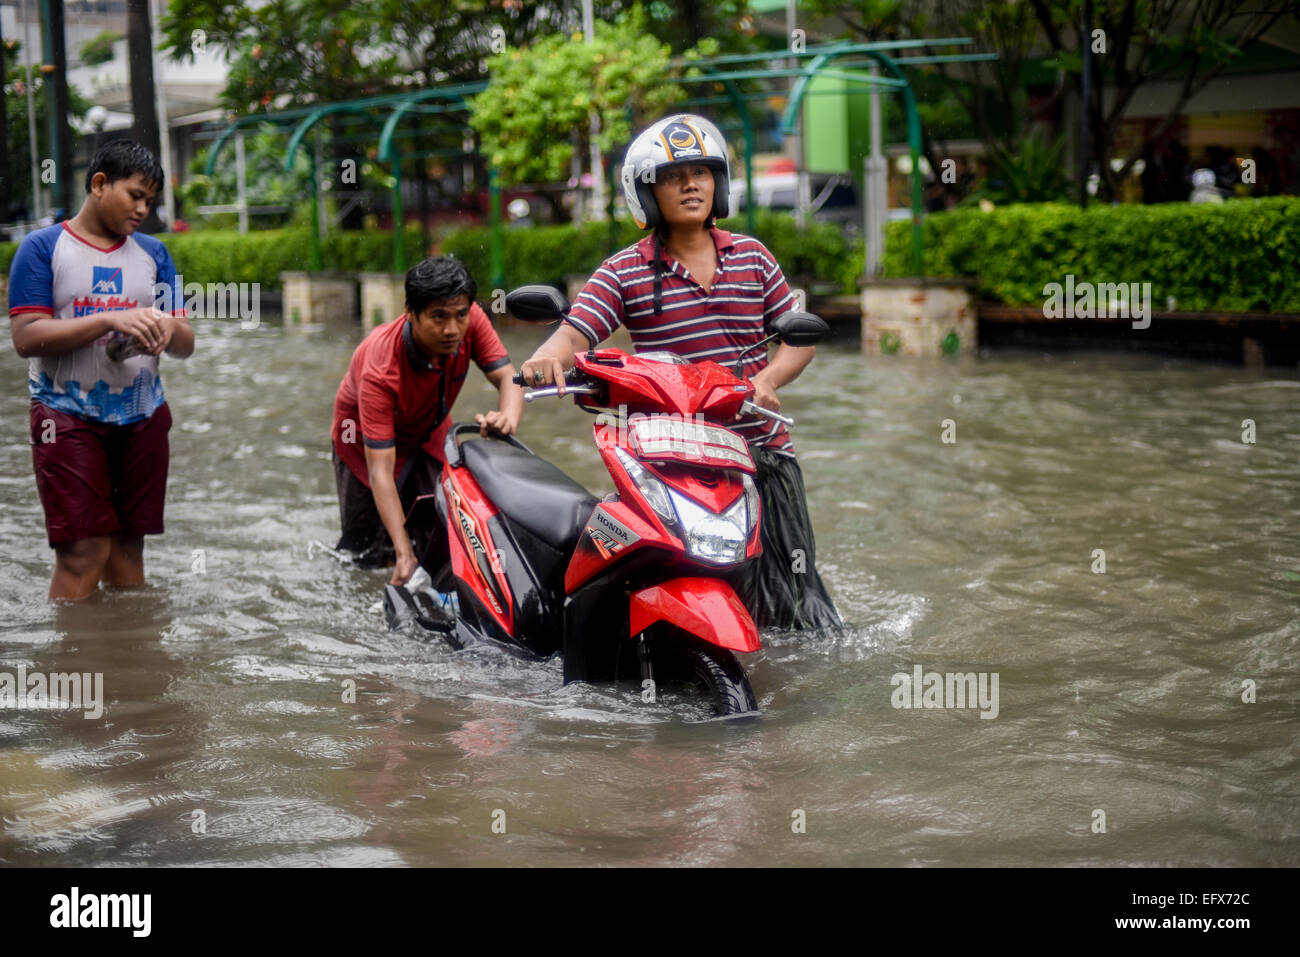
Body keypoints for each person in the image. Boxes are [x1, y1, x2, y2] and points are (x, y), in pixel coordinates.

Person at [520, 113, 842, 631]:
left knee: (795, 612)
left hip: (758, 450)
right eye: (673, 176)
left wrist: (768, 379)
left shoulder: (754, 258)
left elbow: (795, 339)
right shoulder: (624, 270)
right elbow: (574, 335)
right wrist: (545, 361)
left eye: (702, 172)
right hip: (673, 453)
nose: (691, 185)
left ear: (720, 184)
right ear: (646, 192)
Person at [8, 140, 193, 601]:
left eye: (150, 201)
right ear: (99, 184)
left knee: (128, 550)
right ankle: (75, 663)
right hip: (64, 416)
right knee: (82, 551)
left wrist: (162, 327)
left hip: (144, 416)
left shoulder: (155, 254)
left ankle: (128, 662)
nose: (143, 210)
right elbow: (26, 337)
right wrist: (110, 319)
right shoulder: (41, 248)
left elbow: (186, 344)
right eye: (135, 195)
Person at [331, 256, 524, 586]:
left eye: (459, 315)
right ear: (410, 312)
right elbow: (380, 471)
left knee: (441, 524)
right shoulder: (381, 366)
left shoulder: (470, 319)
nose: (452, 329)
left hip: (430, 429)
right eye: (438, 317)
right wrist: (404, 555)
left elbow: (510, 379)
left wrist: (507, 416)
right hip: (363, 442)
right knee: (367, 552)